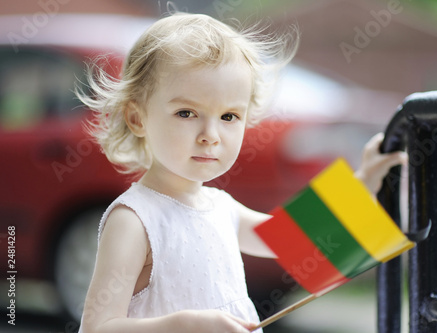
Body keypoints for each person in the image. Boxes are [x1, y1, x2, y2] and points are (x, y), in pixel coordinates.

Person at [77, 12, 406, 333]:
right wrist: (183, 326)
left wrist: (362, 183)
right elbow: (96, 327)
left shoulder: (221, 207)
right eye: (187, 112)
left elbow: (295, 240)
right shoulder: (134, 220)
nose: (211, 134)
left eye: (229, 116)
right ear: (137, 118)